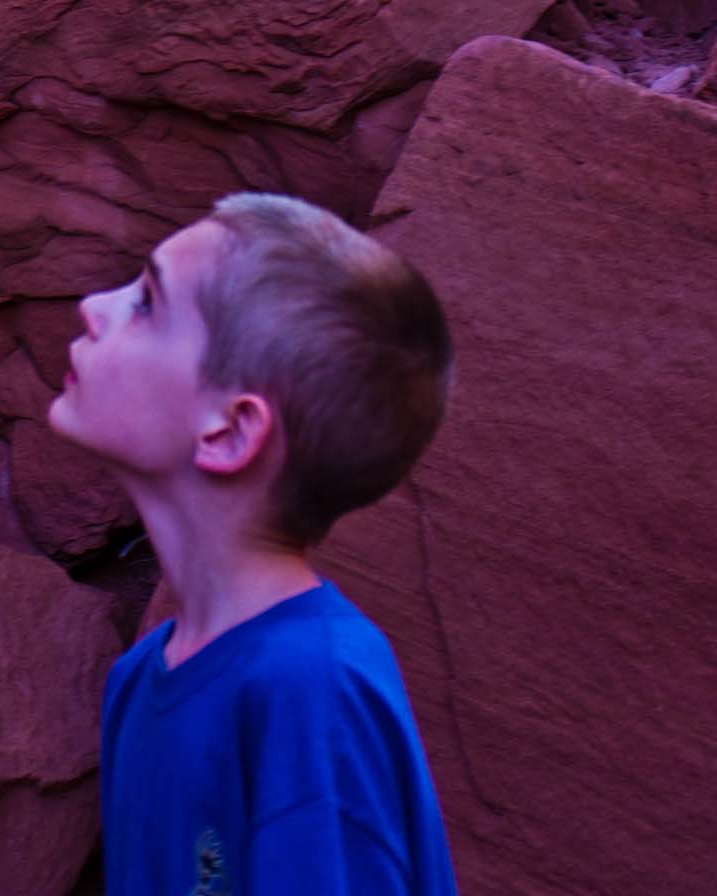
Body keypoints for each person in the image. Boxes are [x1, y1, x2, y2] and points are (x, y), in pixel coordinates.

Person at [48, 191, 457, 894]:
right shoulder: (142, 678)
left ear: (231, 431)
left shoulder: (313, 691)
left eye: (146, 303)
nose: (93, 305)